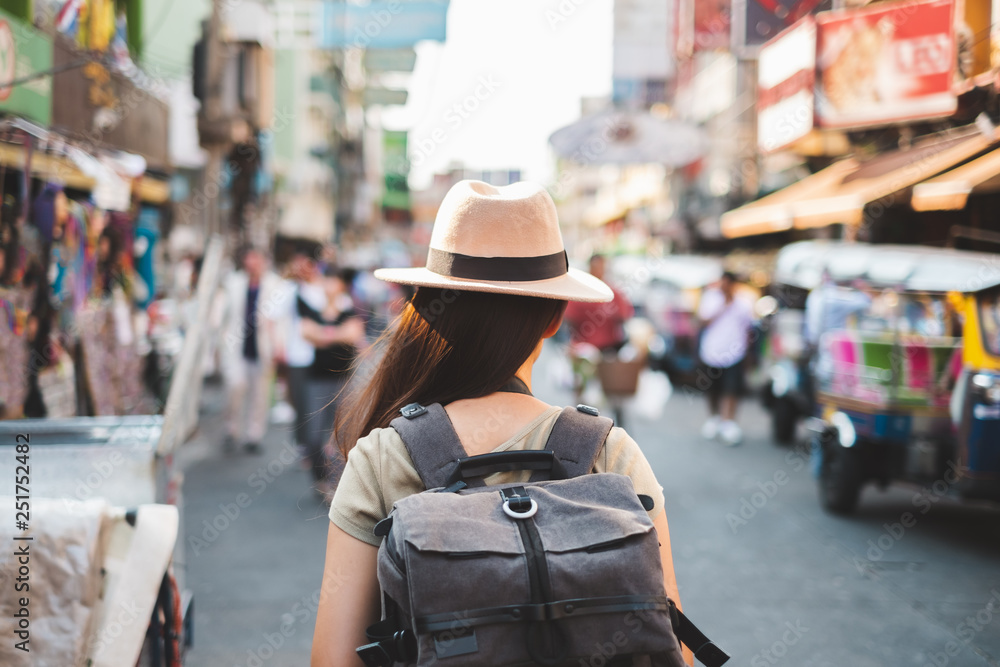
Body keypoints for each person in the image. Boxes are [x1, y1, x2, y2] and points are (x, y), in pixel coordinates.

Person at [311, 180, 690, 666]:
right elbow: (672, 645)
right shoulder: (609, 451)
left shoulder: (384, 457)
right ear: (556, 316)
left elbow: (333, 660)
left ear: (430, 304)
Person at [298, 266, 365, 491]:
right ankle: (320, 479)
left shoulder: (349, 312)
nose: (330, 286)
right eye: (327, 281)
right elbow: (307, 333)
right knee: (313, 436)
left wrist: (323, 334)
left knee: (342, 436)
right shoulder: (312, 312)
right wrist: (336, 334)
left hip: (343, 381)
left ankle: (338, 485)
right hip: (316, 380)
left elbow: (353, 334)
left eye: (334, 281)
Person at [221, 246, 284, 454]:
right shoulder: (234, 283)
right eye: (249, 258)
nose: (252, 263)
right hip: (237, 345)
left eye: (256, 258)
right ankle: (231, 429)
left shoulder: (275, 284)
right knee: (235, 387)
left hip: (262, 347)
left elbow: (279, 319)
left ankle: (254, 435)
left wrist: (279, 345)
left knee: (260, 394)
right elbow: (223, 314)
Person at [697, 271, 753, 446]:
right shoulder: (710, 298)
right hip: (711, 352)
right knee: (712, 389)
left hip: (734, 354)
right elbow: (703, 321)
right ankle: (714, 418)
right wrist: (724, 305)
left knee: (731, 389)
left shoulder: (744, 302)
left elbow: (749, 328)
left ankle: (728, 421)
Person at [283, 252, 326, 456]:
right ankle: (303, 443)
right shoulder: (289, 290)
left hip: (320, 354)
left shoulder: (320, 289)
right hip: (298, 355)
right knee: (300, 401)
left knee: (317, 401)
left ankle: (316, 443)